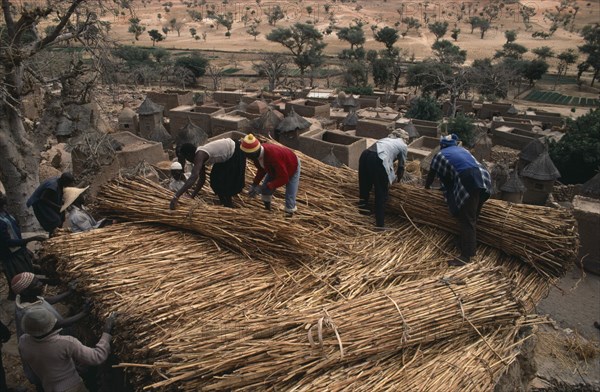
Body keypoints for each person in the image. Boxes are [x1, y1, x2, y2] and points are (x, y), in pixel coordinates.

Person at [424, 134, 492, 267]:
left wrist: (427, 188)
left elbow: (432, 173)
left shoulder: (441, 154)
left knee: (467, 219)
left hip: (469, 178)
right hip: (484, 175)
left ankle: (466, 256)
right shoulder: (463, 150)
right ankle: (464, 242)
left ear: (442, 145)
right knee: (473, 215)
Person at [18, 307, 117, 392]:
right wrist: (106, 332)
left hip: (48, 386)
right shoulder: (65, 343)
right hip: (72, 388)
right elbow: (97, 357)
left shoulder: (23, 341)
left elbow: (46, 360)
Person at [170, 139, 246, 209]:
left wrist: (176, 196)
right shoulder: (200, 156)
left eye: (186, 158)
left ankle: (228, 205)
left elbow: (193, 177)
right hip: (228, 154)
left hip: (235, 151)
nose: (187, 160)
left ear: (189, 154)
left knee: (220, 181)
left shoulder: (200, 155)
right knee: (215, 178)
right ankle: (225, 202)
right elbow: (202, 179)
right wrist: (192, 196)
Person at [12, 272, 90, 339]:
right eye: (36, 284)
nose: (41, 284)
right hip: (51, 337)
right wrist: (83, 313)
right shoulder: (31, 312)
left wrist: (68, 292)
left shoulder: (26, 297)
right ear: (26, 291)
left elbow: (46, 300)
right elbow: (58, 324)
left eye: (38, 281)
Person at [240, 134, 301, 216]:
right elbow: (261, 169)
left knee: (290, 195)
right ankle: (268, 211)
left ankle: (288, 216)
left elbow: (284, 178)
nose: (247, 158)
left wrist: (262, 188)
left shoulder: (273, 156)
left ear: (254, 153)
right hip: (273, 168)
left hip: (291, 165)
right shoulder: (256, 157)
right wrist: (255, 184)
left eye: (248, 155)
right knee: (266, 190)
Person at [0, 193, 46, 300]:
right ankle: (24, 301)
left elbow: (16, 233)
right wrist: (32, 239)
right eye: (0, 196)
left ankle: (27, 298)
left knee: (28, 276)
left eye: (2, 195)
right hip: (11, 255)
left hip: (19, 251)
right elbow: (7, 242)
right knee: (22, 281)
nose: (3, 196)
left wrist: (25, 249)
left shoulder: (6, 213)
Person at [358, 132, 408, 228]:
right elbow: (401, 167)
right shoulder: (403, 145)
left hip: (365, 154)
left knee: (364, 185)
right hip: (378, 159)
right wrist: (398, 181)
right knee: (381, 192)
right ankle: (380, 225)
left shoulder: (387, 139)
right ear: (405, 139)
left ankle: (362, 209)